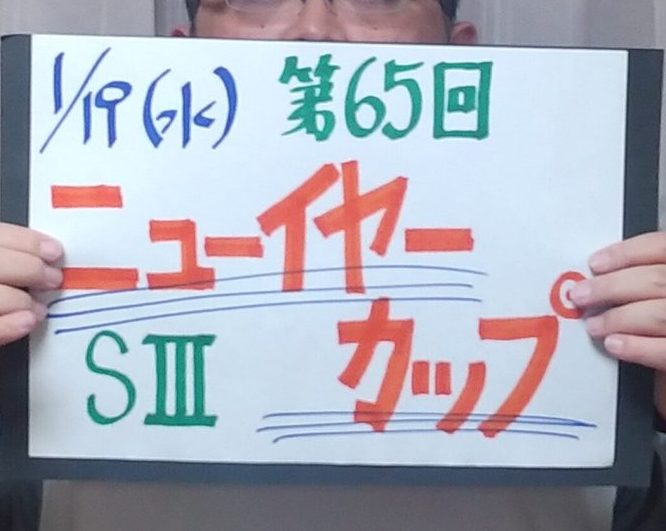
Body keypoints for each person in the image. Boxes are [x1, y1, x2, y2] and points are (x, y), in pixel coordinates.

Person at [0, 0, 664, 529]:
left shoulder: (588, 265)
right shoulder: (53, 256)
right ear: (182, 47)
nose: (314, 31)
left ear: (461, 50)